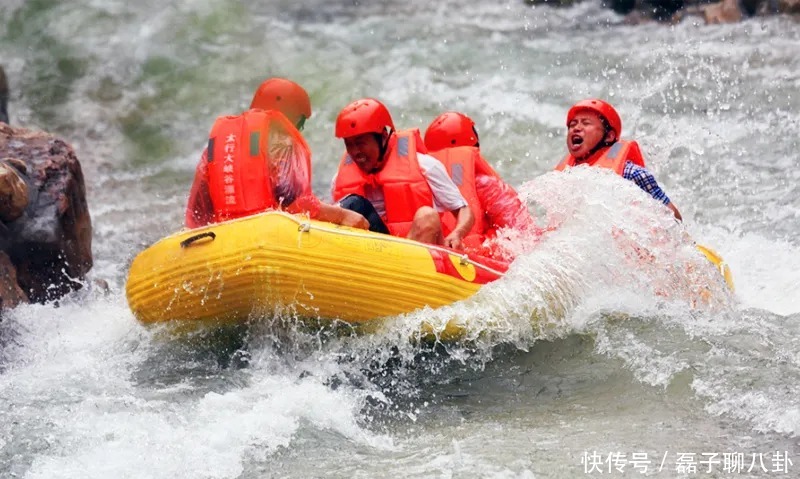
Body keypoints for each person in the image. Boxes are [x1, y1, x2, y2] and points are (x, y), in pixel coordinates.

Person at [185, 78, 368, 229]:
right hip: (271, 236)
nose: (299, 129)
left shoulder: (216, 147)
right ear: (291, 116)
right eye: (301, 122)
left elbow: (197, 213)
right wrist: (343, 216)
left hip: (224, 237)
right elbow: (299, 204)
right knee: (358, 206)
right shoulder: (284, 143)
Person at [331, 98, 474, 250]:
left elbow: (464, 210)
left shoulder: (426, 166)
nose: (355, 152)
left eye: (360, 143)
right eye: (349, 145)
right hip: (374, 252)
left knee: (427, 216)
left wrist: (458, 233)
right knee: (351, 206)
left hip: (419, 248)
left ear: (383, 137)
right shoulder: (338, 179)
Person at [423, 111, 538, 255]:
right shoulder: (489, 185)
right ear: (474, 146)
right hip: (475, 258)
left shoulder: (421, 184)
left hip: (452, 256)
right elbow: (525, 233)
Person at [555, 99, 682, 221]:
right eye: (572, 124)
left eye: (586, 123)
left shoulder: (631, 173)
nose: (576, 128)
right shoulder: (562, 174)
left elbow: (673, 219)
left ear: (609, 136)